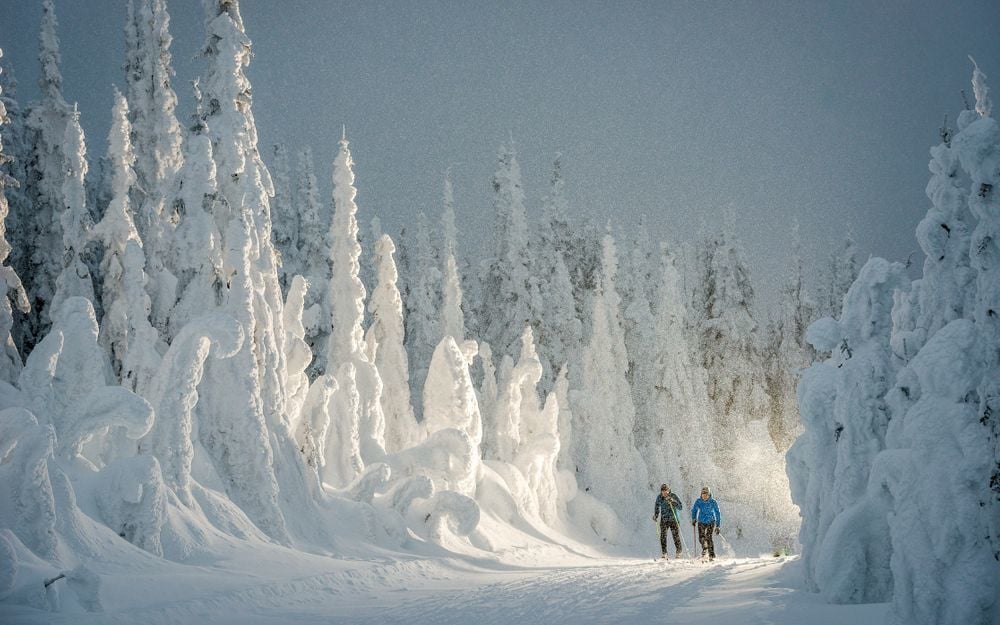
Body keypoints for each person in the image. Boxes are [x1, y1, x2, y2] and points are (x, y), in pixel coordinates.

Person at [691, 486, 722, 561]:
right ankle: (705, 548)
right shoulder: (699, 501)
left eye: (706, 494)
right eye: (703, 494)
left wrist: (718, 526)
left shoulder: (713, 502)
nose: (704, 496)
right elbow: (694, 510)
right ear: (701, 494)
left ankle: (711, 554)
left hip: (711, 521)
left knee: (708, 537)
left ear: (709, 494)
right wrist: (694, 518)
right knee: (701, 538)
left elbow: (717, 513)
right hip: (701, 521)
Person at [652, 484, 683, 559]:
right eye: (663, 491)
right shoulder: (659, 497)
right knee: (663, 536)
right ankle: (664, 552)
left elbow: (680, 507)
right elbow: (657, 506)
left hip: (674, 519)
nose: (664, 492)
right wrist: (656, 515)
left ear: (669, 490)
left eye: (666, 491)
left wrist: (673, 501)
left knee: (675, 536)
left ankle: (679, 551)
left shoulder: (673, 496)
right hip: (664, 519)